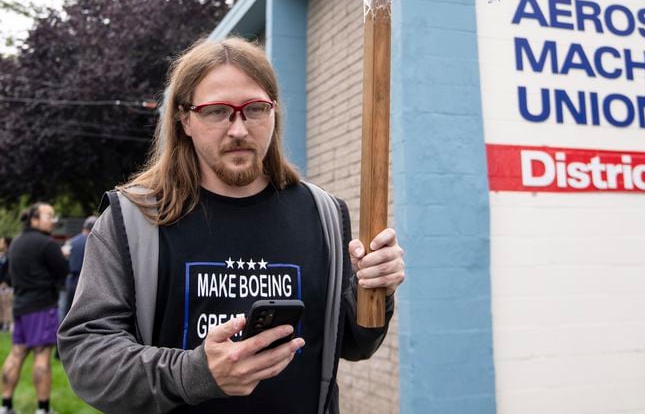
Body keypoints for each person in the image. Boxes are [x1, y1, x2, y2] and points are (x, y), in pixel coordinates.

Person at [59, 36, 405, 413]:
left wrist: (374, 291)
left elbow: (353, 344)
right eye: (217, 111)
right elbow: (87, 357)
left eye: (255, 109)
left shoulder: (323, 213)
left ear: (274, 112)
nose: (239, 129)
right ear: (184, 118)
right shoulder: (134, 218)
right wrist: (195, 373)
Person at [1, 203, 68, 414]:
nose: (53, 220)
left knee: (16, 354)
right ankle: (43, 409)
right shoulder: (46, 244)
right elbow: (63, 271)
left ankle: (6, 406)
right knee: (42, 357)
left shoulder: (17, 242)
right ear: (34, 219)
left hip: (20, 306)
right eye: (48, 215)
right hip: (41, 306)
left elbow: (11, 276)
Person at [63, 217, 97, 313]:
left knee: (67, 312)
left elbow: (64, 256)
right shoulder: (94, 242)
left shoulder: (71, 242)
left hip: (71, 280)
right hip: (87, 282)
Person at [0, 237, 12, 333]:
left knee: (6, 305)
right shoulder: (3, 255)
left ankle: (7, 325)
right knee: (2, 305)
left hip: (7, 285)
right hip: (2, 284)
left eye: (1, 241)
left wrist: (5, 282)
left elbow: (10, 270)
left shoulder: (10, 255)